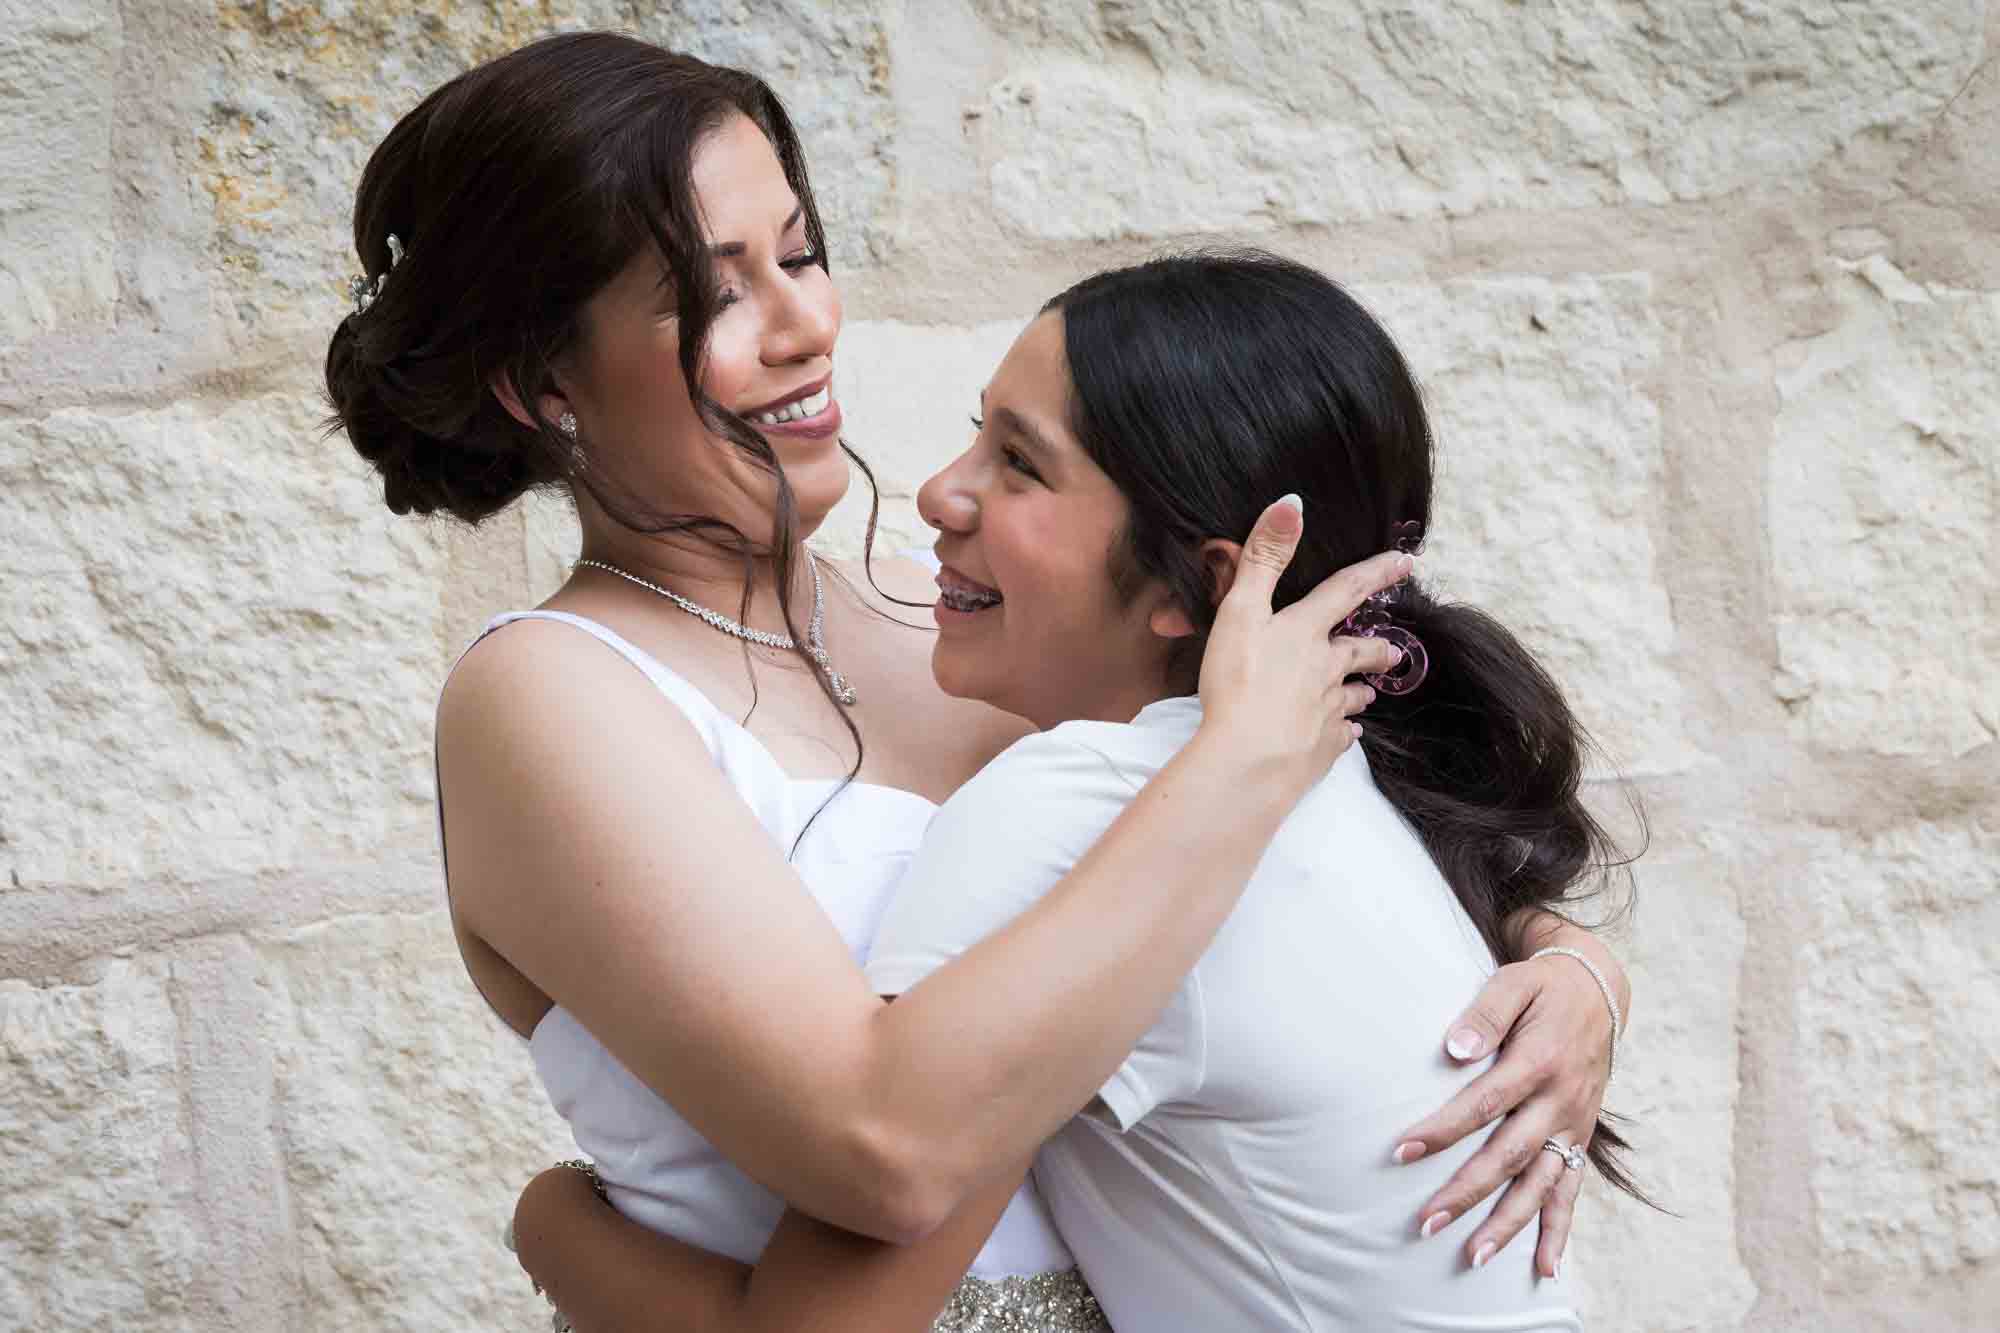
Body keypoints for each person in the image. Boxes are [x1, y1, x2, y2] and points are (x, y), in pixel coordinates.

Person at [323, 31, 1629, 1331]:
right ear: (541, 382)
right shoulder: (551, 695)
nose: (806, 324)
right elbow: (879, 1143)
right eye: (717, 292)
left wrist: (1571, 971)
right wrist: (546, 1228)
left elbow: (1324, 866)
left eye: (802, 253)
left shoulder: (957, 606)